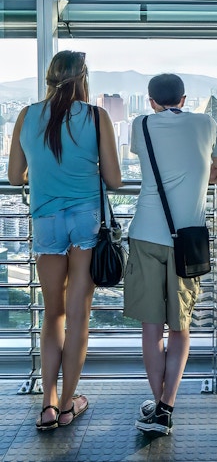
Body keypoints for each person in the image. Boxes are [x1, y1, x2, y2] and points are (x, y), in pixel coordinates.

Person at [8, 50, 121, 431]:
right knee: (78, 316)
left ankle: (48, 404)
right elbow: (116, 179)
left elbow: (13, 175)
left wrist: (45, 177)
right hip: (87, 222)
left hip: (46, 220)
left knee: (52, 313)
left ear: (49, 78)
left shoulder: (26, 115)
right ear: (83, 78)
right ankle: (71, 403)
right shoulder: (95, 116)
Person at [124, 73, 217, 435]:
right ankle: (167, 406)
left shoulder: (139, 125)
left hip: (145, 234)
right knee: (180, 326)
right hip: (187, 237)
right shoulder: (208, 123)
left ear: (151, 100)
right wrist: (201, 176)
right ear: (185, 99)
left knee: (151, 328)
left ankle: (156, 406)